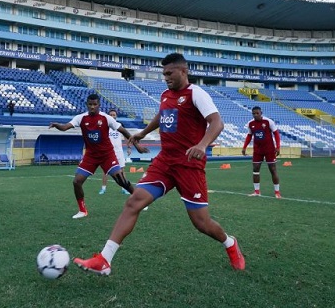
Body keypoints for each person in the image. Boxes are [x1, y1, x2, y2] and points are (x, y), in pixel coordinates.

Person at [73, 53, 245, 275]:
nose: (166, 78)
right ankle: (104, 259)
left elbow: (216, 122)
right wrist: (143, 133)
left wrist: (202, 145)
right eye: (163, 74)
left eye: (169, 73)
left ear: (183, 71)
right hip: (165, 162)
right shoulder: (166, 95)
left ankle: (230, 244)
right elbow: (162, 115)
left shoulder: (197, 94)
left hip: (189, 165)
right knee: (134, 202)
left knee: (201, 223)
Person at [49, 94, 148, 219]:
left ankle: (139, 201)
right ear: (87, 105)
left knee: (121, 181)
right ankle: (82, 210)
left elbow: (123, 131)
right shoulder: (81, 118)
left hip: (107, 155)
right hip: (90, 156)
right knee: (77, 182)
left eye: (95, 104)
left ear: (99, 105)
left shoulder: (106, 118)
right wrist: (57, 125)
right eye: (90, 104)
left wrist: (137, 146)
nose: (92, 107)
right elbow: (65, 127)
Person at [241, 106, 282, 198]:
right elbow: (249, 135)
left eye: (257, 113)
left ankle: (277, 192)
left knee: (272, 170)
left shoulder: (268, 122)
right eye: (253, 113)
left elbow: (276, 134)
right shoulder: (250, 123)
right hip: (257, 150)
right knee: (255, 169)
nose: (255, 115)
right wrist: (244, 147)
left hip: (269, 149)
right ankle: (256, 191)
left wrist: (278, 147)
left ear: (261, 113)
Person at [99, 109, 132, 196]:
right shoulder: (105, 126)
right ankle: (103, 188)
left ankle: (124, 188)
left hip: (119, 151)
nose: (113, 116)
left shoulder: (120, 125)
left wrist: (129, 147)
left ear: (116, 116)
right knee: (105, 171)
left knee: (122, 170)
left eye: (114, 115)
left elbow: (126, 137)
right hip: (108, 152)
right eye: (111, 115)